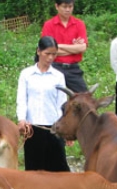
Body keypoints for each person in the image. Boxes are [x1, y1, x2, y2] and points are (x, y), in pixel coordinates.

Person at [16, 36, 70, 172]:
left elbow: (62, 103)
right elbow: (22, 99)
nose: (50, 58)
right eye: (47, 54)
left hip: (53, 129)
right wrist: (22, 119)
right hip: (33, 128)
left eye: (54, 54)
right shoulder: (26, 74)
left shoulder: (58, 76)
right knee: (34, 169)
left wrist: (66, 128)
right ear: (38, 51)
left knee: (59, 168)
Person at [41, 0, 88, 92]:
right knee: (51, 95)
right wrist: (73, 48)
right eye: (64, 7)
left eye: (70, 7)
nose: (68, 10)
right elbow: (47, 50)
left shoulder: (79, 24)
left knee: (84, 98)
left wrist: (58, 46)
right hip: (54, 66)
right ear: (57, 6)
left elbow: (82, 48)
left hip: (73, 68)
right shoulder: (49, 25)